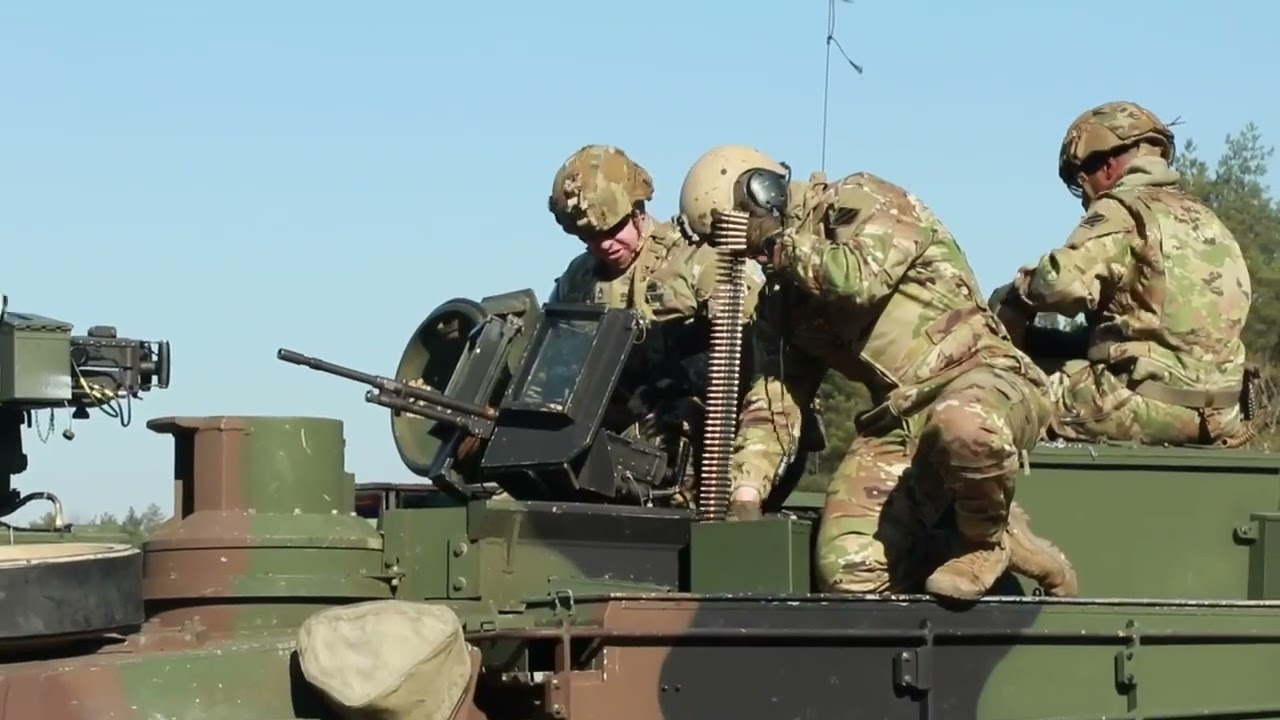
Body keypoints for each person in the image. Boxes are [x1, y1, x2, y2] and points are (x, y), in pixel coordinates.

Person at [678, 144, 1077, 600]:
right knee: (847, 571)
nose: (749, 254)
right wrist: (745, 494)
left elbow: (858, 279)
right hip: (901, 417)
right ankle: (986, 554)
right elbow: (773, 403)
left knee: (961, 424)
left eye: (742, 234)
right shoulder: (785, 303)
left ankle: (987, 541)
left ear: (763, 193)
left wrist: (774, 241)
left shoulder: (862, 199)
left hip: (983, 377)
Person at [990, 101, 1255, 447]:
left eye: (1081, 181)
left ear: (1109, 166)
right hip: (1220, 415)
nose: (1084, 197)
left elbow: (1059, 284)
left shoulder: (1122, 209)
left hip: (1141, 404)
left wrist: (1015, 294)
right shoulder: (1209, 221)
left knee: (989, 395)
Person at [547, 144, 763, 508]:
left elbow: (755, 348)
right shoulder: (578, 281)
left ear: (637, 210)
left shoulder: (696, 260)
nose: (603, 245)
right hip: (615, 442)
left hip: (706, 445)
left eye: (611, 230)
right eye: (588, 238)